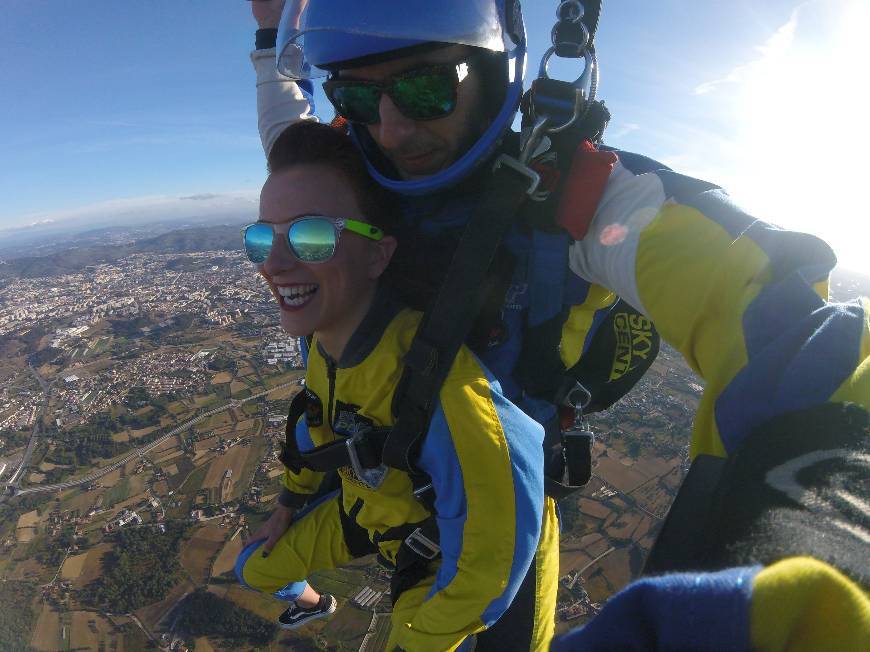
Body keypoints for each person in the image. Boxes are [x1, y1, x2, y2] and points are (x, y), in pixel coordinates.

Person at [247, 1, 869, 648]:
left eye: (425, 88)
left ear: (491, 72)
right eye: (355, 94)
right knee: (260, 562)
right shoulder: (348, 178)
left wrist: (828, 515)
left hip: (505, 508)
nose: (393, 131)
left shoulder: (578, 195)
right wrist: (269, 36)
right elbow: (285, 130)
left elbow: (770, 305)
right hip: (381, 480)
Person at [235, 120, 557, 651]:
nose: (273, 262)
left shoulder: (437, 381)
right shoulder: (323, 347)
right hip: (370, 515)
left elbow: (491, 565)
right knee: (255, 568)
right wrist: (289, 504)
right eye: (262, 236)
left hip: (435, 555)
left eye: (311, 235)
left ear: (378, 254)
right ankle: (316, 602)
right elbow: (310, 426)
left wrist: (418, 640)